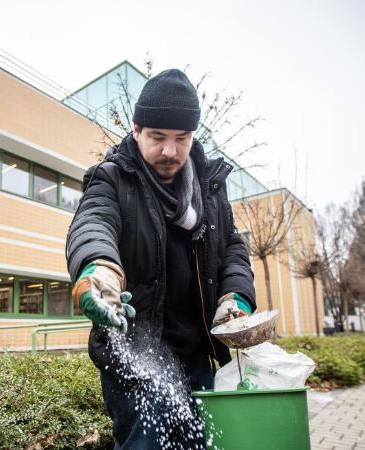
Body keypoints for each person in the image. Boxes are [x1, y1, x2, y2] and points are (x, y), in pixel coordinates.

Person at [66, 69, 257, 449]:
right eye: (157, 137)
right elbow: (93, 223)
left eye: (181, 138)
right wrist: (99, 269)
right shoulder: (113, 179)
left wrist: (235, 296)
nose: (170, 151)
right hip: (134, 356)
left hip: (197, 353)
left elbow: (232, 248)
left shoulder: (211, 189)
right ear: (136, 130)